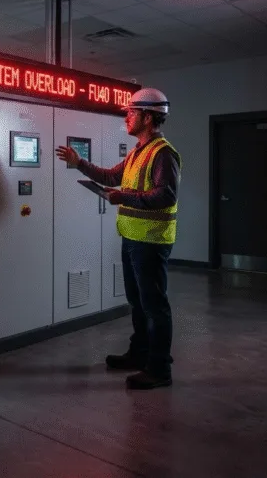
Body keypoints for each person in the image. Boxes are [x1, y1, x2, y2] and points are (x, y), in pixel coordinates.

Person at [56, 88, 181, 390]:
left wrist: (122, 197)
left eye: (131, 112)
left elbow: (165, 195)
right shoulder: (138, 151)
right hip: (132, 238)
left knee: (154, 306)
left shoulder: (162, 153)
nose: (126, 117)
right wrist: (79, 162)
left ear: (148, 117)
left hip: (151, 241)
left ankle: (159, 368)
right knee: (137, 302)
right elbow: (112, 177)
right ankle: (140, 354)